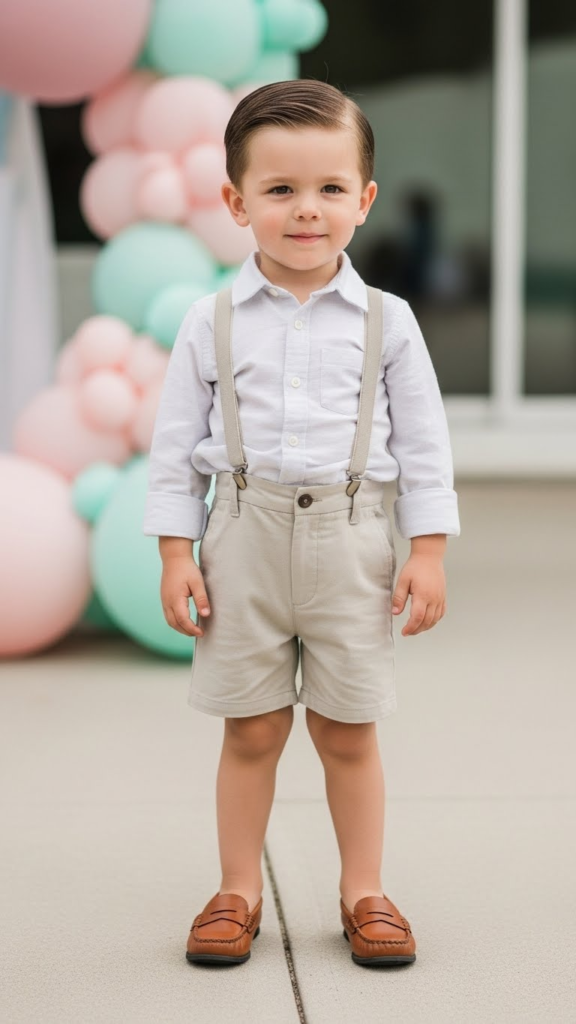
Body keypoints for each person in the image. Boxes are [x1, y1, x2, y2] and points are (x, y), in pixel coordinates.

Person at [142, 78, 461, 967]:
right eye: (280, 191)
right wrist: (177, 554)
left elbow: (426, 448)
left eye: (328, 190)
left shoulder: (388, 324)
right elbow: (176, 452)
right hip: (242, 536)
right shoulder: (208, 325)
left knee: (348, 729)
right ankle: (237, 889)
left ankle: (365, 890)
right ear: (236, 202)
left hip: (353, 539)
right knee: (250, 727)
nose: (305, 211)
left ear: (363, 201)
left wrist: (426, 550)